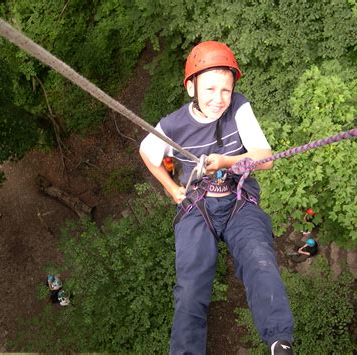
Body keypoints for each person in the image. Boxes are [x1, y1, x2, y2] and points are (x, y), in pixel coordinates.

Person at [140, 41, 294, 355]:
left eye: (225, 90)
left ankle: (280, 341)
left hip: (238, 201)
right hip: (197, 207)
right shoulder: (172, 126)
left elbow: (265, 159)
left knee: (259, 260)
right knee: (191, 287)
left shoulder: (238, 107)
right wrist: (172, 190)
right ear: (190, 87)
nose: (218, 99)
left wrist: (224, 161)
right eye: (209, 89)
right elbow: (147, 151)